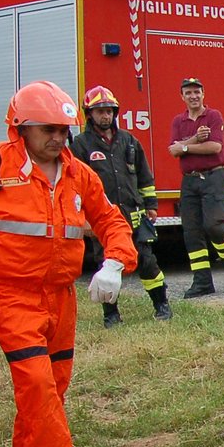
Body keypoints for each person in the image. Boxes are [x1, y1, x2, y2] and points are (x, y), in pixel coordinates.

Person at [0, 81, 137, 447]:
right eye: (48, 129)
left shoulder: (76, 173)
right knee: (35, 380)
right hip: (9, 293)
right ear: (21, 128)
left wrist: (115, 262)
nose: (58, 137)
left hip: (60, 295)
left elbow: (110, 220)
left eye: (63, 129)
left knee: (52, 384)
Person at [74, 86, 171, 325]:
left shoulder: (129, 141)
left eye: (109, 111)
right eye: (100, 111)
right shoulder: (80, 144)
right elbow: (74, 183)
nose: (105, 116)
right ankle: (111, 315)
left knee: (147, 261)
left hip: (134, 214)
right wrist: (83, 217)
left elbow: (144, 175)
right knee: (106, 263)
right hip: (102, 217)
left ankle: (162, 304)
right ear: (89, 114)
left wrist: (151, 204)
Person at [169, 76, 224, 298]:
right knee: (192, 232)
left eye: (197, 92)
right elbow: (173, 150)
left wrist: (185, 146)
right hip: (190, 181)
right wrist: (194, 139)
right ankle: (202, 282)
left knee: (214, 226)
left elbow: (214, 146)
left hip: (214, 177)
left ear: (203, 94)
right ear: (182, 97)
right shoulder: (178, 121)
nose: (193, 96)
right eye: (188, 93)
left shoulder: (213, 116)